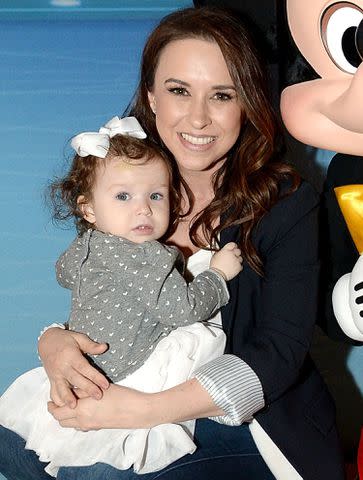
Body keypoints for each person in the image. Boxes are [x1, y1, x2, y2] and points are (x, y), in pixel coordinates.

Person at [0, 6, 345, 480]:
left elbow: (279, 353)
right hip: (135, 383)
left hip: (251, 419)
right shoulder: (127, 183)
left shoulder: (287, 202)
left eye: (221, 95)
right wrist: (55, 342)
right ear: (151, 98)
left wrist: (142, 410)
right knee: (12, 443)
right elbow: (107, 296)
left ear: (246, 104)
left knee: (96, 475)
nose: (199, 118)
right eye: (179, 91)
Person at [0, 116, 242, 476]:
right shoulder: (144, 254)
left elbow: (64, 273)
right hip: (128, 373)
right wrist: (218, 274)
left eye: (155, 196)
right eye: (123, 196)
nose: (143, 208)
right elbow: (183, 308)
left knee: (34, 447)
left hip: (97, 369)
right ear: (89, 209)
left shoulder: (86, 246)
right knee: (94, 462)